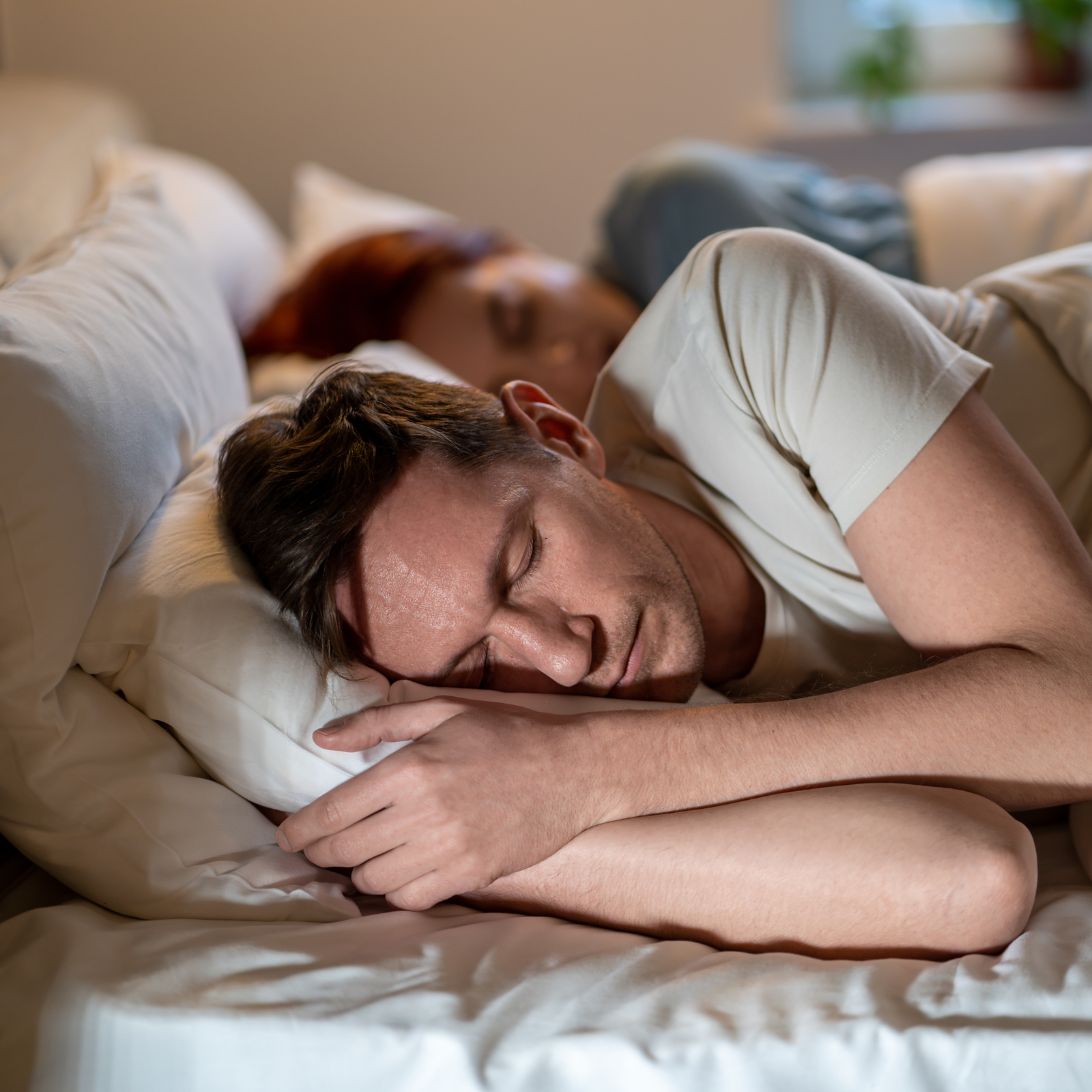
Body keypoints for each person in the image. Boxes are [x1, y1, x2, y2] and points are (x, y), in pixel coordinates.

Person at [219, 227, 1092, 961]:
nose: (562, 657)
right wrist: (486, 836)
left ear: (561, 435)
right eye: (480, 665)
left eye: (524, 561)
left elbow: (1077, 710)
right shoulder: (615, 699)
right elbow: (967, 879)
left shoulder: (746, 317)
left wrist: (598, 766)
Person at [244, 142, 918, 415]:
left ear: (515, 248)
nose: (568, 360)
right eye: (510, 386)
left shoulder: (675, 217)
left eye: (522, 315)